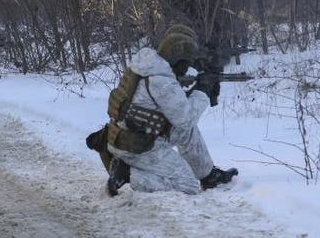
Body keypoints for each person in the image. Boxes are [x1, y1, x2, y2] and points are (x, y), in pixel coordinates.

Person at [101, 24, 238, 196]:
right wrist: (202, 91)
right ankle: (127, 173)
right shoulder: (160, 80)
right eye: (185, 63)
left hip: (130, 135)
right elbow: (185, 118)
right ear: (177, 60)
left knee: (186, 131)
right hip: (137, 146)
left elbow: (173, 110)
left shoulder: (147, 66)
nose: (186, 68)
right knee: (188, 185)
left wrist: (195, 90)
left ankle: (208, 175)